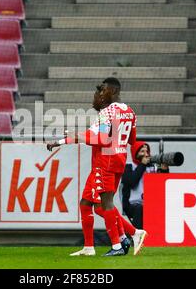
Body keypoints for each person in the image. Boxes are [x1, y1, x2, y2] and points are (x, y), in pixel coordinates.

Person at [47, 77, 148, 257]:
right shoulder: (130, 111)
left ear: (113, 91)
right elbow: (132, 140)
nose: (100, 94)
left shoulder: (107, 112)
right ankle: (92, 246)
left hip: (105, 162)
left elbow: (101, 139)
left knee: (104, 205)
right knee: (87, 203)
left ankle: (121, 241)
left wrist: (76, 137)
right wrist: (66, 139)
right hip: (118, 160)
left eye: (103, 91)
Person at [121, 141, 169, 229]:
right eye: (142, 151)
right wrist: (142, 165)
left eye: (147, 151)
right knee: (140, 209)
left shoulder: (153, 167)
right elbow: (131, 182)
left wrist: (164, 171)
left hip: (150, 203)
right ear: (135, 153)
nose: (146, 154)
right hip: (133, 204)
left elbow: (162, 186)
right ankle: (138, 237)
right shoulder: (128, 166)